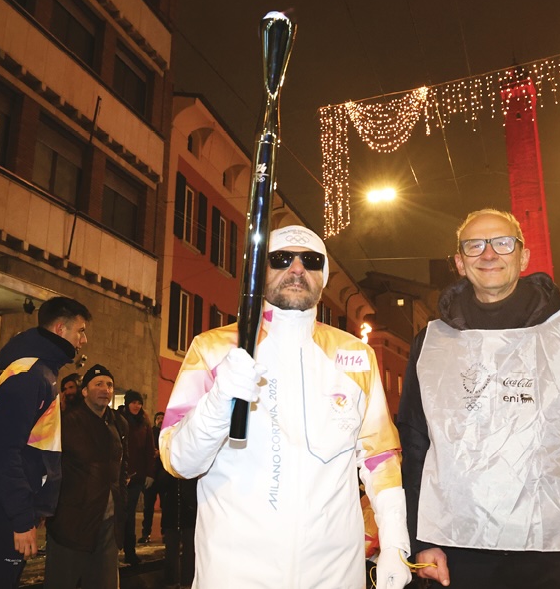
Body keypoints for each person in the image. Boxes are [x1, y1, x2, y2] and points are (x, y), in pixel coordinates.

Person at [397, 208, 560, 589]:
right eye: (475, 245)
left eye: (503, 243)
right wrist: (421, 541)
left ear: (523, 256)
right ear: (458, 261)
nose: (489, 254)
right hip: (462, 550)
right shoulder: (431, 342)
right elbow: (416, 447)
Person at [160, 224, 411, 588]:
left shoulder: (355, 356)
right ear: (261, 271)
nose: (297, 268)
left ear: (322, 277)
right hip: (235, 572)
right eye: (281, 259)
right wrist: (219, 402)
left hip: (333, 573)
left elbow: (379, 459)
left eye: (310, 260)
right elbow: (179, 461)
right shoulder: (214, 348)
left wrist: (395, 543)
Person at [0, 296, 91, 588]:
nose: (84, 340)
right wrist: (21, 517)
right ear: (61, 328)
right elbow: (3, 451)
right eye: (81, 331)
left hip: (11, 507)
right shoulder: (29, 375)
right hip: (5, 510)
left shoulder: (43, 373)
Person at [43, 364, 128, 589]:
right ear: (84, 391)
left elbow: (121, 468)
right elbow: (50, 469)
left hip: (108, 522)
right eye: (98, 384)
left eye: (109, 385)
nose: (105, 389)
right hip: (71, 523)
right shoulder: (67, 422)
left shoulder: (119, 423)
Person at [117, 389, 155, 565]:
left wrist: (149, 473)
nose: (136, 406)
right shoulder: (118, 419)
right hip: (118, 475)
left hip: (136, 476)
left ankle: (129, 551)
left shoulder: (144, 423)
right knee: (118, 513)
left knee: (129, 512)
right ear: (127, 403)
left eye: (139, 403)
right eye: (133, 402)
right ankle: (115, 549)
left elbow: (149, 449)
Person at [140, 410, 165, 545]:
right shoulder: (150, 432)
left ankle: (164, 532)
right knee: (148, 506)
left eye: (162, 418)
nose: (160, 420)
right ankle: (146, 533)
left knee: (165, 506)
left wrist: (160, 453)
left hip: (164, 475)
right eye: (158, 418)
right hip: (151, 475)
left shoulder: (168, 432)